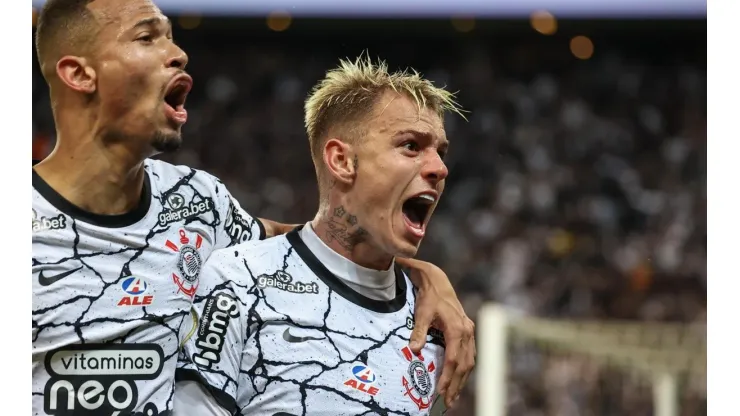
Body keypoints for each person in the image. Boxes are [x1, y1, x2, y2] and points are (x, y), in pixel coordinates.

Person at [31, 1, 475, 415]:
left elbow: (311, 244)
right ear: (79, 73)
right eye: (146, 38)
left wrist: (423, 273)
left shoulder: (196, 201)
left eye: (171, 36)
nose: (179, 54)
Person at [173, 56, 474, 416]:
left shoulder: (435, 326)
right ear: (342, 161)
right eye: (411, 146)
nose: (440, 168)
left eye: (441, 152)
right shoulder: (237, 281)